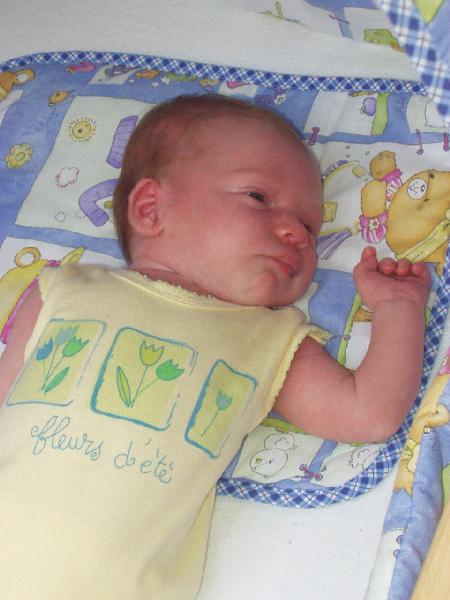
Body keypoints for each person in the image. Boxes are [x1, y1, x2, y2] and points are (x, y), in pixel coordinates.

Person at [0, 94, 430, 599]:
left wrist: (398, 307)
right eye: (258, 197)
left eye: (311, 228)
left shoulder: (268, 338)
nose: (296, 233)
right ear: (150, 209)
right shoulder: (63, 289)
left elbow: (368, 415)